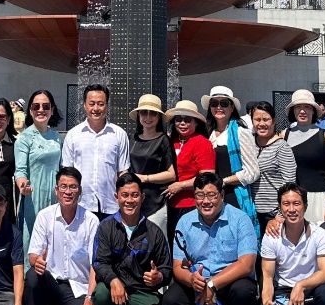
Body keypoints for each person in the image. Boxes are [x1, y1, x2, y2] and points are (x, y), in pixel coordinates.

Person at [163, 171, 261, 305]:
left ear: (222, 196)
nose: (205, 201)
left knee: (244, 291)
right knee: (171, 300)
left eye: (211, 195)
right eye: (200, 195)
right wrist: (192, 280)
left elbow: (246, 264)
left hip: (229, 284)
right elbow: (177, 266)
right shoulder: (184, 222)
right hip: (199, 285)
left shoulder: (240, 219)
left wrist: (212, 284)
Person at [91, 172, 173, 305]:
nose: (130, 200)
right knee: (101, 293)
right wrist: (113, 281)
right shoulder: (106, 227)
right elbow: (99, 262)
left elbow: (166, 268)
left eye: (135, 195)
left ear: (142, 197)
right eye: (125, 195)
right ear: (116, 197)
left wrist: (158, 277)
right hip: (114, 291)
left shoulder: (154, 231)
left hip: (142, 292)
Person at [26, 165, 103, 305]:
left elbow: (96, 264)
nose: (68, 191)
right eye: (63, 186)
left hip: (77, 288)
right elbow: (33, 254)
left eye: (73, 187)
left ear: (80, 190)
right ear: (56, 190)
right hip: (51, 283)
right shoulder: (45, 216)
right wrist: (37, 261)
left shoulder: (91, 220)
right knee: (32, 276)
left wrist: (89, 300)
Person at [60, 84, 131, 220]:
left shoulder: (119, 134)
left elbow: (123, 172)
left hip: (110, 204)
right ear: (85, 105)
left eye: (101, 104)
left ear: (107, 105)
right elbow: (67, 171)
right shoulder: (73, 134)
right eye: (92, 104)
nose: (96, 108)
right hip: (81, 203)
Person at [15, 89, 63, 267]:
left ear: (52, 110)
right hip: (33, 199)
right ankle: (29, 287)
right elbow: (19, 171)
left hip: (54, 198)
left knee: (53, 243)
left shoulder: (56, 137)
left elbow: (61, 169)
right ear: (30, 110)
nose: (40, 110)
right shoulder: (24, 138)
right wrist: (23, 186)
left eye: (45, 106)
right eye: (36, 106)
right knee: (32, 246)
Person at [285, 91, 325, 222]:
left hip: (318, 199)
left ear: (314, 111)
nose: (302, 111)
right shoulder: (284, 135)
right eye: (298, 107)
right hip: (292, 199)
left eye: (307, 107)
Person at [206, 87, 259, 220]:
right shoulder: (207, 134)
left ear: (232, 107)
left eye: (224, 103)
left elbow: (252, 172)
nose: (219, 107)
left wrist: (224, 181)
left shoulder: (241, 133)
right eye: (214, 104)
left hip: (233, 195)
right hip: (210, 197)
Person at [163, 100, 216, 229]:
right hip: (167, 205)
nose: (182, 123)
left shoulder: (202, 143)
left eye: (187, 120)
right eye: (178, 119)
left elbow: (208, 177)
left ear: (196, 122)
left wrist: (180, 186)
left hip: (190, 204)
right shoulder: (169, 140)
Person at [128, 94, 175, 232]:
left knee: (156, 244)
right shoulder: (131, 138)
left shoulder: (163, 140)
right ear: (138, 115)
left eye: (153, 113)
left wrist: (145, 178)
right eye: (144, 113)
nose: (148, 117)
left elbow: (171, 175)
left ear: (158, 117)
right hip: (133, 200)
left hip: (155, 202)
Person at [249, 100, 297, 231]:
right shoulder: (248, 143)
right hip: (250, 210)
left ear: (274, 121)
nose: (261, 124)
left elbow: (289, 182)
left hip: (273, 212)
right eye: (257, 119)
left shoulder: (282, 147)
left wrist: (281, 214)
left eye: (266, 119)